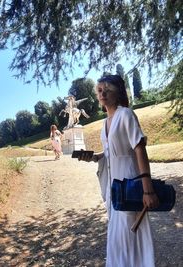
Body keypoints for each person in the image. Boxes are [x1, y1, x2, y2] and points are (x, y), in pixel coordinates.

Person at [78, 74, 159, 267]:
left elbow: (139, 148)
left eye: (108, 89)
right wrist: (95, 156)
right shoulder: (105, 123)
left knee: (130, 235)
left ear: (118, 93)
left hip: (130, 184)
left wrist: (147, 190)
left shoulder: (126, 114)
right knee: (117, 238)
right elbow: (110, 153)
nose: (103, 93)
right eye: (99, 90)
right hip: (114, 189)